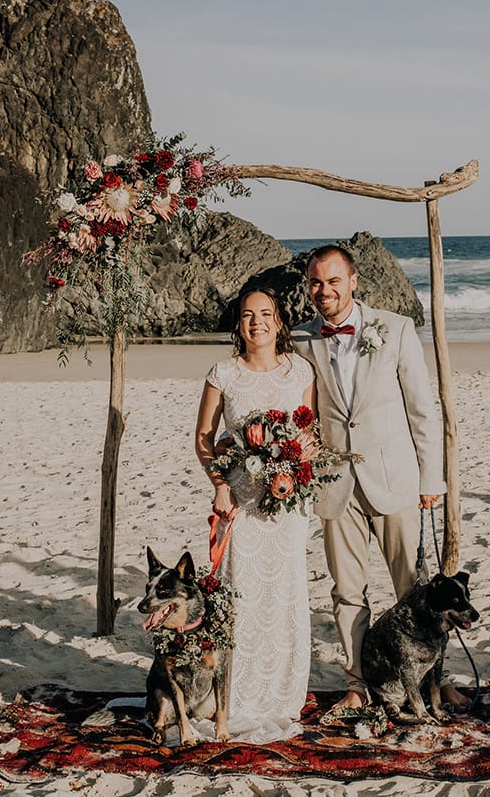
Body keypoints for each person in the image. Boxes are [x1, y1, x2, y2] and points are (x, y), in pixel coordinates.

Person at [293, 244, 468, 711]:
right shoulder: (300, 340)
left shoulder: (396, 329)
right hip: (334, 485)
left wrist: (433, 478)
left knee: (417, 592)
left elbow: (422, 408)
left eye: (333, 280)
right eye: (315, 281)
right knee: (347, 591)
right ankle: (356, 682)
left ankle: (435, 680)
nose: (323, 290)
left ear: (353, 281)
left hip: (396, 480)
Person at [195, 287, 316, 742]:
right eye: (248, 315)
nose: (257, 322)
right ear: (238, 324)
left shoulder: (299, 371)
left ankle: (282, 693)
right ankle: (236, 693)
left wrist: (297, 469)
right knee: (241, 592)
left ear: (280, 322)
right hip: (241, 505)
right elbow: (205, 438)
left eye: (265, 314)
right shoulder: (223, 373)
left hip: (288, 506)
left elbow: (310, 435)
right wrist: (221, 486)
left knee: (285, 593)